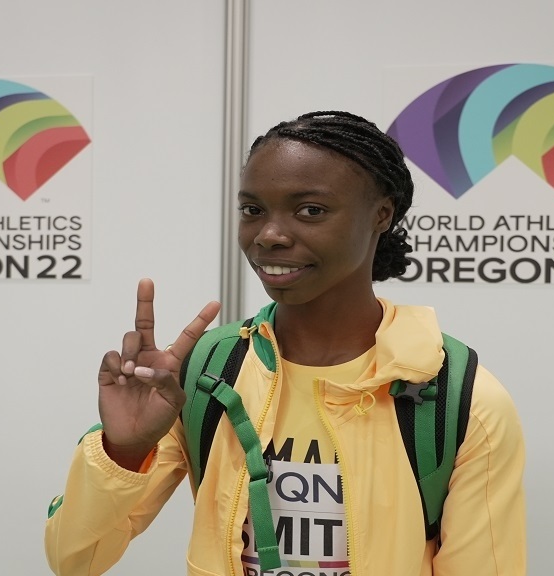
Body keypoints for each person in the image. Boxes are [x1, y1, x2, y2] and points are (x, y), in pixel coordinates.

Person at [45, 111, 526, 575]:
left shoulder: (461, 401)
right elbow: (74, 559)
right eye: (253, 210)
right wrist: (123, 452)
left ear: (382, 213)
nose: (269, 235)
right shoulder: (203, 375)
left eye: (310, 210)